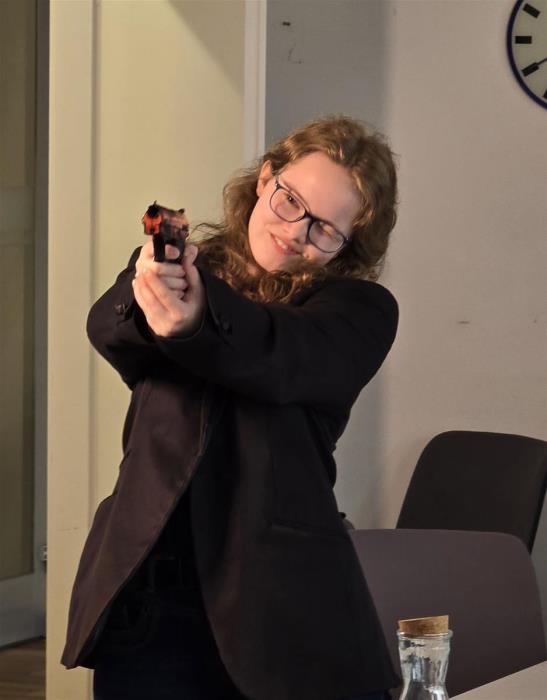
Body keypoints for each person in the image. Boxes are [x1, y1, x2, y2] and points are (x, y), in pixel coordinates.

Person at [60, 115, 401, 700]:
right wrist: (154, 294)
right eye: (290, 201)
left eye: (325, 229)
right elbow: (107, 329)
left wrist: (196, 318)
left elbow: (278, 353)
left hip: (277, 608)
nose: (295, 231)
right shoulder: (186, 267)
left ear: (351, 245)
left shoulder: (360, 310)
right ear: (265, 179)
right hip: (148, 597)